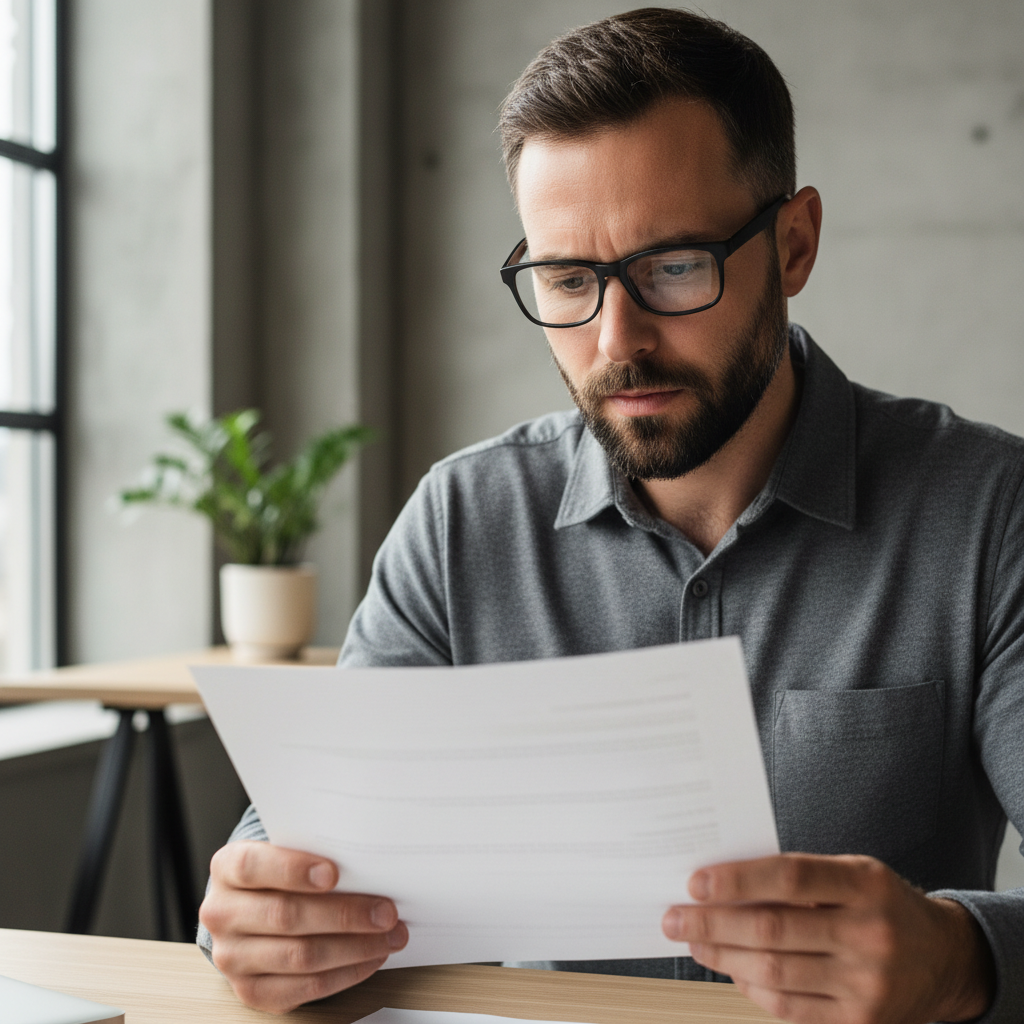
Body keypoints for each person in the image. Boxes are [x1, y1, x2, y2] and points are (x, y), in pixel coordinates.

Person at [197, 9, 1023, 1022]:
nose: (614, 340)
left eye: (673, 265)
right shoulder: (461, 522)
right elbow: (299, 846)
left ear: (794, 243)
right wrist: (260, 906)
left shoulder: (989, 513)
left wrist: (959, 956)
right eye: (567, 278)